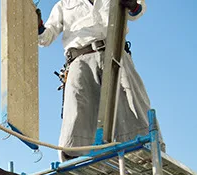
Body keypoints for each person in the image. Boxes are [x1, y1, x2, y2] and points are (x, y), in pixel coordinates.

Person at [37, 0, 159, 160]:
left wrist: (133, 5)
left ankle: (144, 154)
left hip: (116, 52)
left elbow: (137, 10)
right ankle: (77, 158)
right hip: (80, 58)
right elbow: (45, 38)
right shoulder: (64, 5)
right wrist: (37, 25)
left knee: (130, 102)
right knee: (78, 107)